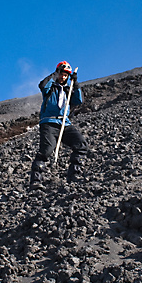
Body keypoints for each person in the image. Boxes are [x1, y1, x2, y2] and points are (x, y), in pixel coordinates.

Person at [29, 61, 88, 190]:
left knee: (81, 144)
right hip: (49, 123)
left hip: (64, 123)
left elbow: (78, 100)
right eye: (62, 74)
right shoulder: (50, 88)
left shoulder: (68, 90)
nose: (63, 77)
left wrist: (75, 83)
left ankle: (74, 174)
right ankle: (35, 180)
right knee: (47, 150)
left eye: (66, 75)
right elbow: (42, 85)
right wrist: (55, 74)